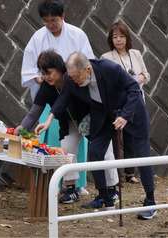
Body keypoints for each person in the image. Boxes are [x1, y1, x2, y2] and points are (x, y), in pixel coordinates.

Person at [35, 51, 156, 219]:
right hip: (105, 116)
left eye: (77, 77)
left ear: (88, 69)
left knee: (142, 156)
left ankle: (150, 201)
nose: (74, 81)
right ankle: (107, 199)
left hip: (132, 111)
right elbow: (63, 98)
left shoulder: (109, 68)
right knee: (95, 152)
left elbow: (134, 88)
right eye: (71, 77)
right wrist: (49, 120)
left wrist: (125, 116)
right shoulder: (72, 78)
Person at [16, 50, 119, 205]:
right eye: (43, 73)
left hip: (93, 119)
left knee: (105, 151)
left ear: (59, 68)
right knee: (66, 151)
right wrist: (20, 129)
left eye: (49, 72)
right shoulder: (46, 87)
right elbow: (33, 113)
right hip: (69, 124)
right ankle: (71, 190)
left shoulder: (74, 78)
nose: (46, 77)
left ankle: (112, 189)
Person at [21, 0, 95, 195]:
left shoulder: (77, 34)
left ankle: (80, 184)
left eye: (53, 20)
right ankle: (55, 182)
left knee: (80, 142)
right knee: (58, 140)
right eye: (46, 21)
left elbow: (88, 63)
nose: (50, 25)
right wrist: (45, 80)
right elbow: (30, 69)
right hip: (51, 96)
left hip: (77, 95)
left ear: (62, 16)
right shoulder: (38, 38)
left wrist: (70, 80)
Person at [101, 20, 151, 184]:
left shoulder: (136, 53)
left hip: (137, 102)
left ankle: (130, 173)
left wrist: (142, 77)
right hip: (118, 104)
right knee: (115, 138)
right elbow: (106, 82)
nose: (118, 40)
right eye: (115, 37)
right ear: (111, 39)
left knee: (131, 138)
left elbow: (146, 74)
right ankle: (116, 174)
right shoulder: (106, 58)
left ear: (127, 37)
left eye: (122, 36)